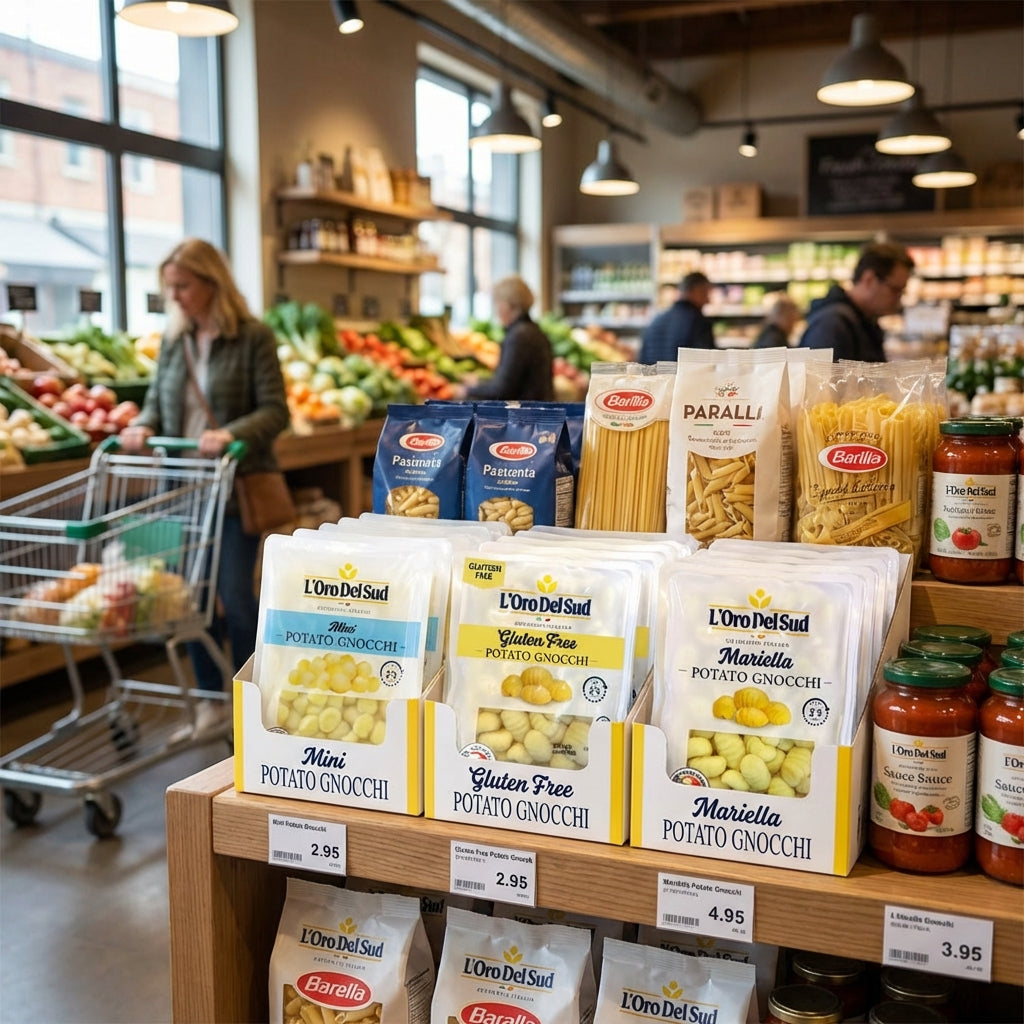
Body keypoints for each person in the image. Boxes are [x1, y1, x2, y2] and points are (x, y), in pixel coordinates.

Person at [121, 238, 289, 735]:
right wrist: (143, 425)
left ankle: (250, 702)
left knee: (236, 597)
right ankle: (210, 703)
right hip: (185, 490)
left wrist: (231, 433)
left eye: (182, 286)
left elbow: (276, 410)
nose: (174, 296)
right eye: (168, 287)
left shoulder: (254, 337)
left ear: (212, 283)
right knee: (189, 598)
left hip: (233, 490)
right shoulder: (174, 340)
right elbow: (156, 401)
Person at [798, 242, 915, 362]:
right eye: (895, 290)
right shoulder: (832, 326)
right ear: (869, 280)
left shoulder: (864, 322)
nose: (899, 298)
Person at [456, 275, 554, 402]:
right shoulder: (533, 331)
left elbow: (503, 389)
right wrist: (479, 382)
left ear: (507, 305)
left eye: (497, 303)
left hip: (525, 416)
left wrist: (465, 391)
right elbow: (514, 381)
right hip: (537, 412)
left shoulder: (519, 337)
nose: (497, 310)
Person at [638, 270, 714, 364]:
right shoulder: (698, 322)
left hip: (654, 378)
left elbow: (642, 360)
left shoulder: (656, 320)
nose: (708, 300)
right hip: (685, 378)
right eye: (706, 293)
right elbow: (707, 363)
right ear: (697, 291)